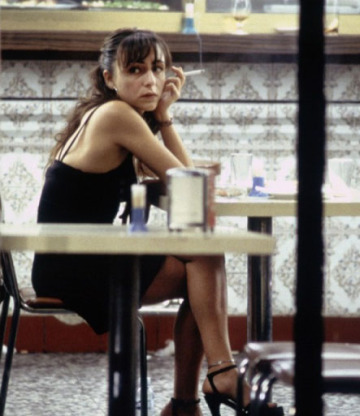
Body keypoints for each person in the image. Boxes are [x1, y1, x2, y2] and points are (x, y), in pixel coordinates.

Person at [31, 28, 280, 416]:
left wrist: (161, 119)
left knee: (203, 264)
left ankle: (199, 393)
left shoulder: (115, 116)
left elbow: (184, 181)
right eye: (135, 70)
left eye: (157, 68)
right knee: (205, 261)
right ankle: (215, 379)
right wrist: (164, 117)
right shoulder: (117, 116)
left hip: (74, 257)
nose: (150, 80)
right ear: (109, 78)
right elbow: (190, 183)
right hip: (73, 265)